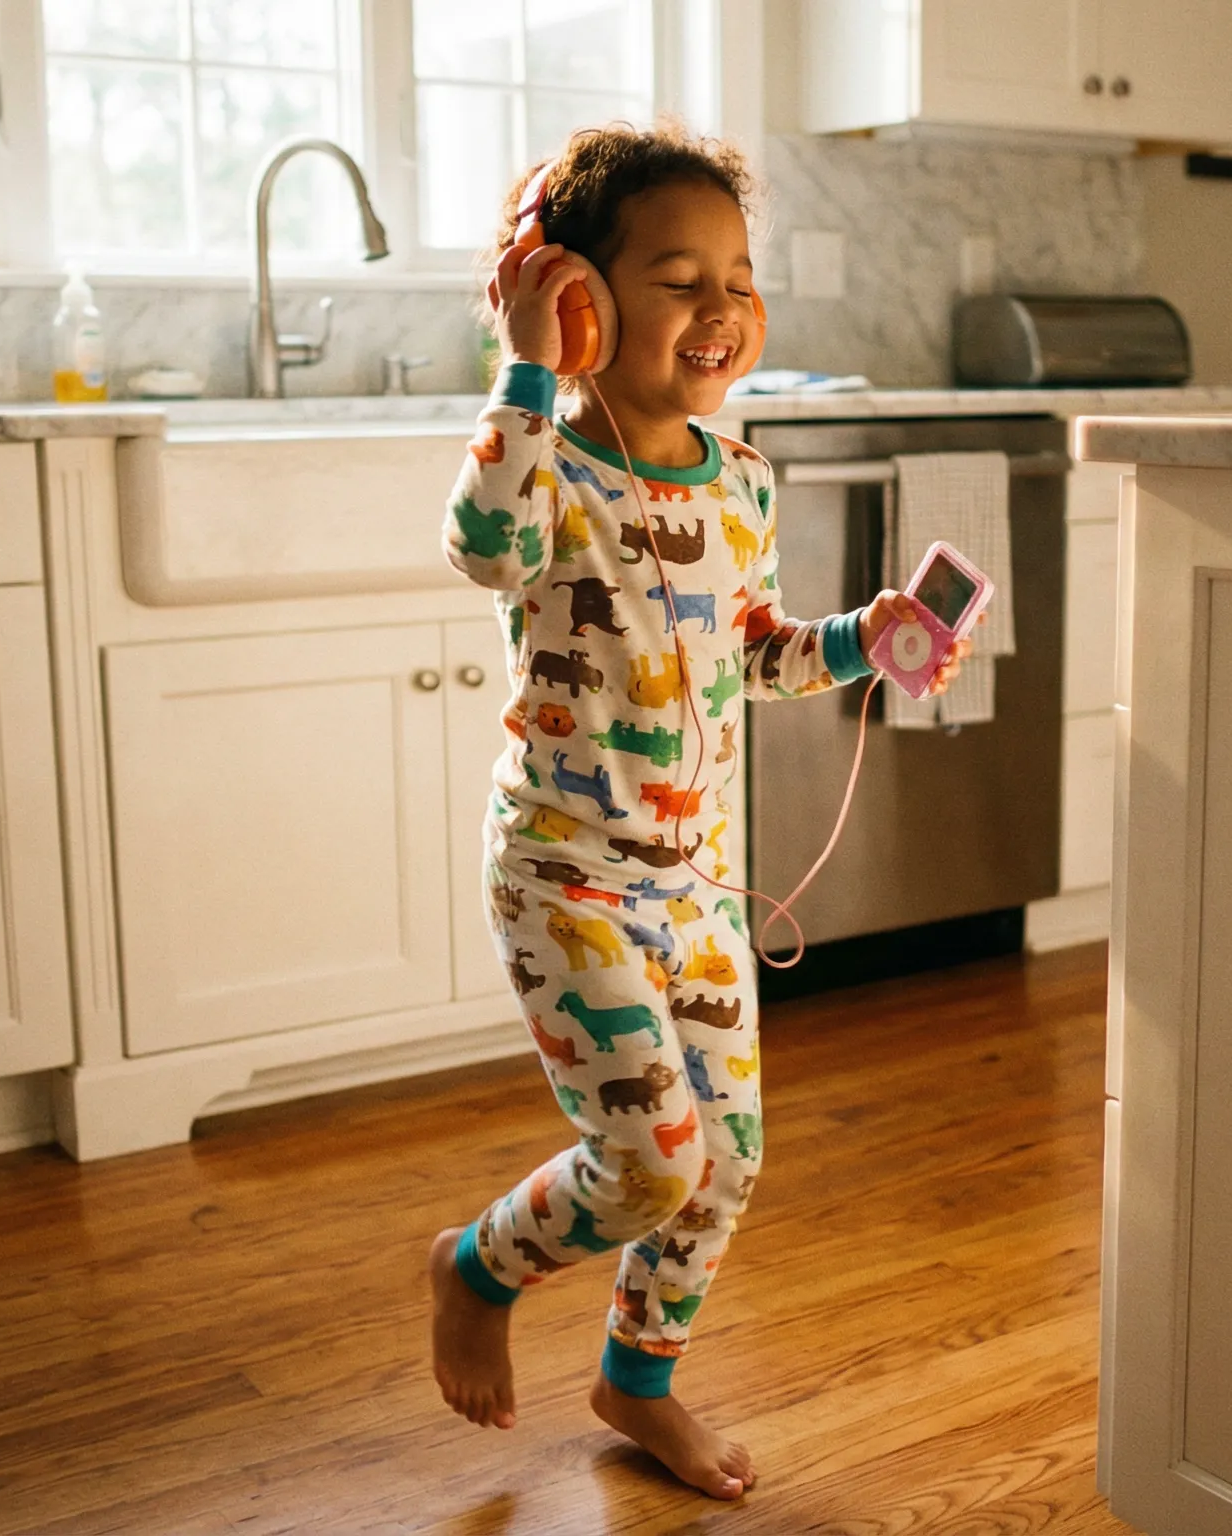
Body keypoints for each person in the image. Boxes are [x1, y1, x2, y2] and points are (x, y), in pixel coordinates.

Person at [425, 122, 970, 1500]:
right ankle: (480, 1262)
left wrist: (864, 637)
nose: (721, 304)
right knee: (649, 1161)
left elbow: (755, 653)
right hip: (568, 879)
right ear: (582, 302)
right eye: (679, 275)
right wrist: (525, 366)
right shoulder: (547, 463)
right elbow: (483, 549)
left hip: (700, 887)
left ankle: (636, 1380)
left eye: (737, 273)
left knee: (725, 1166)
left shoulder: (742, 481)